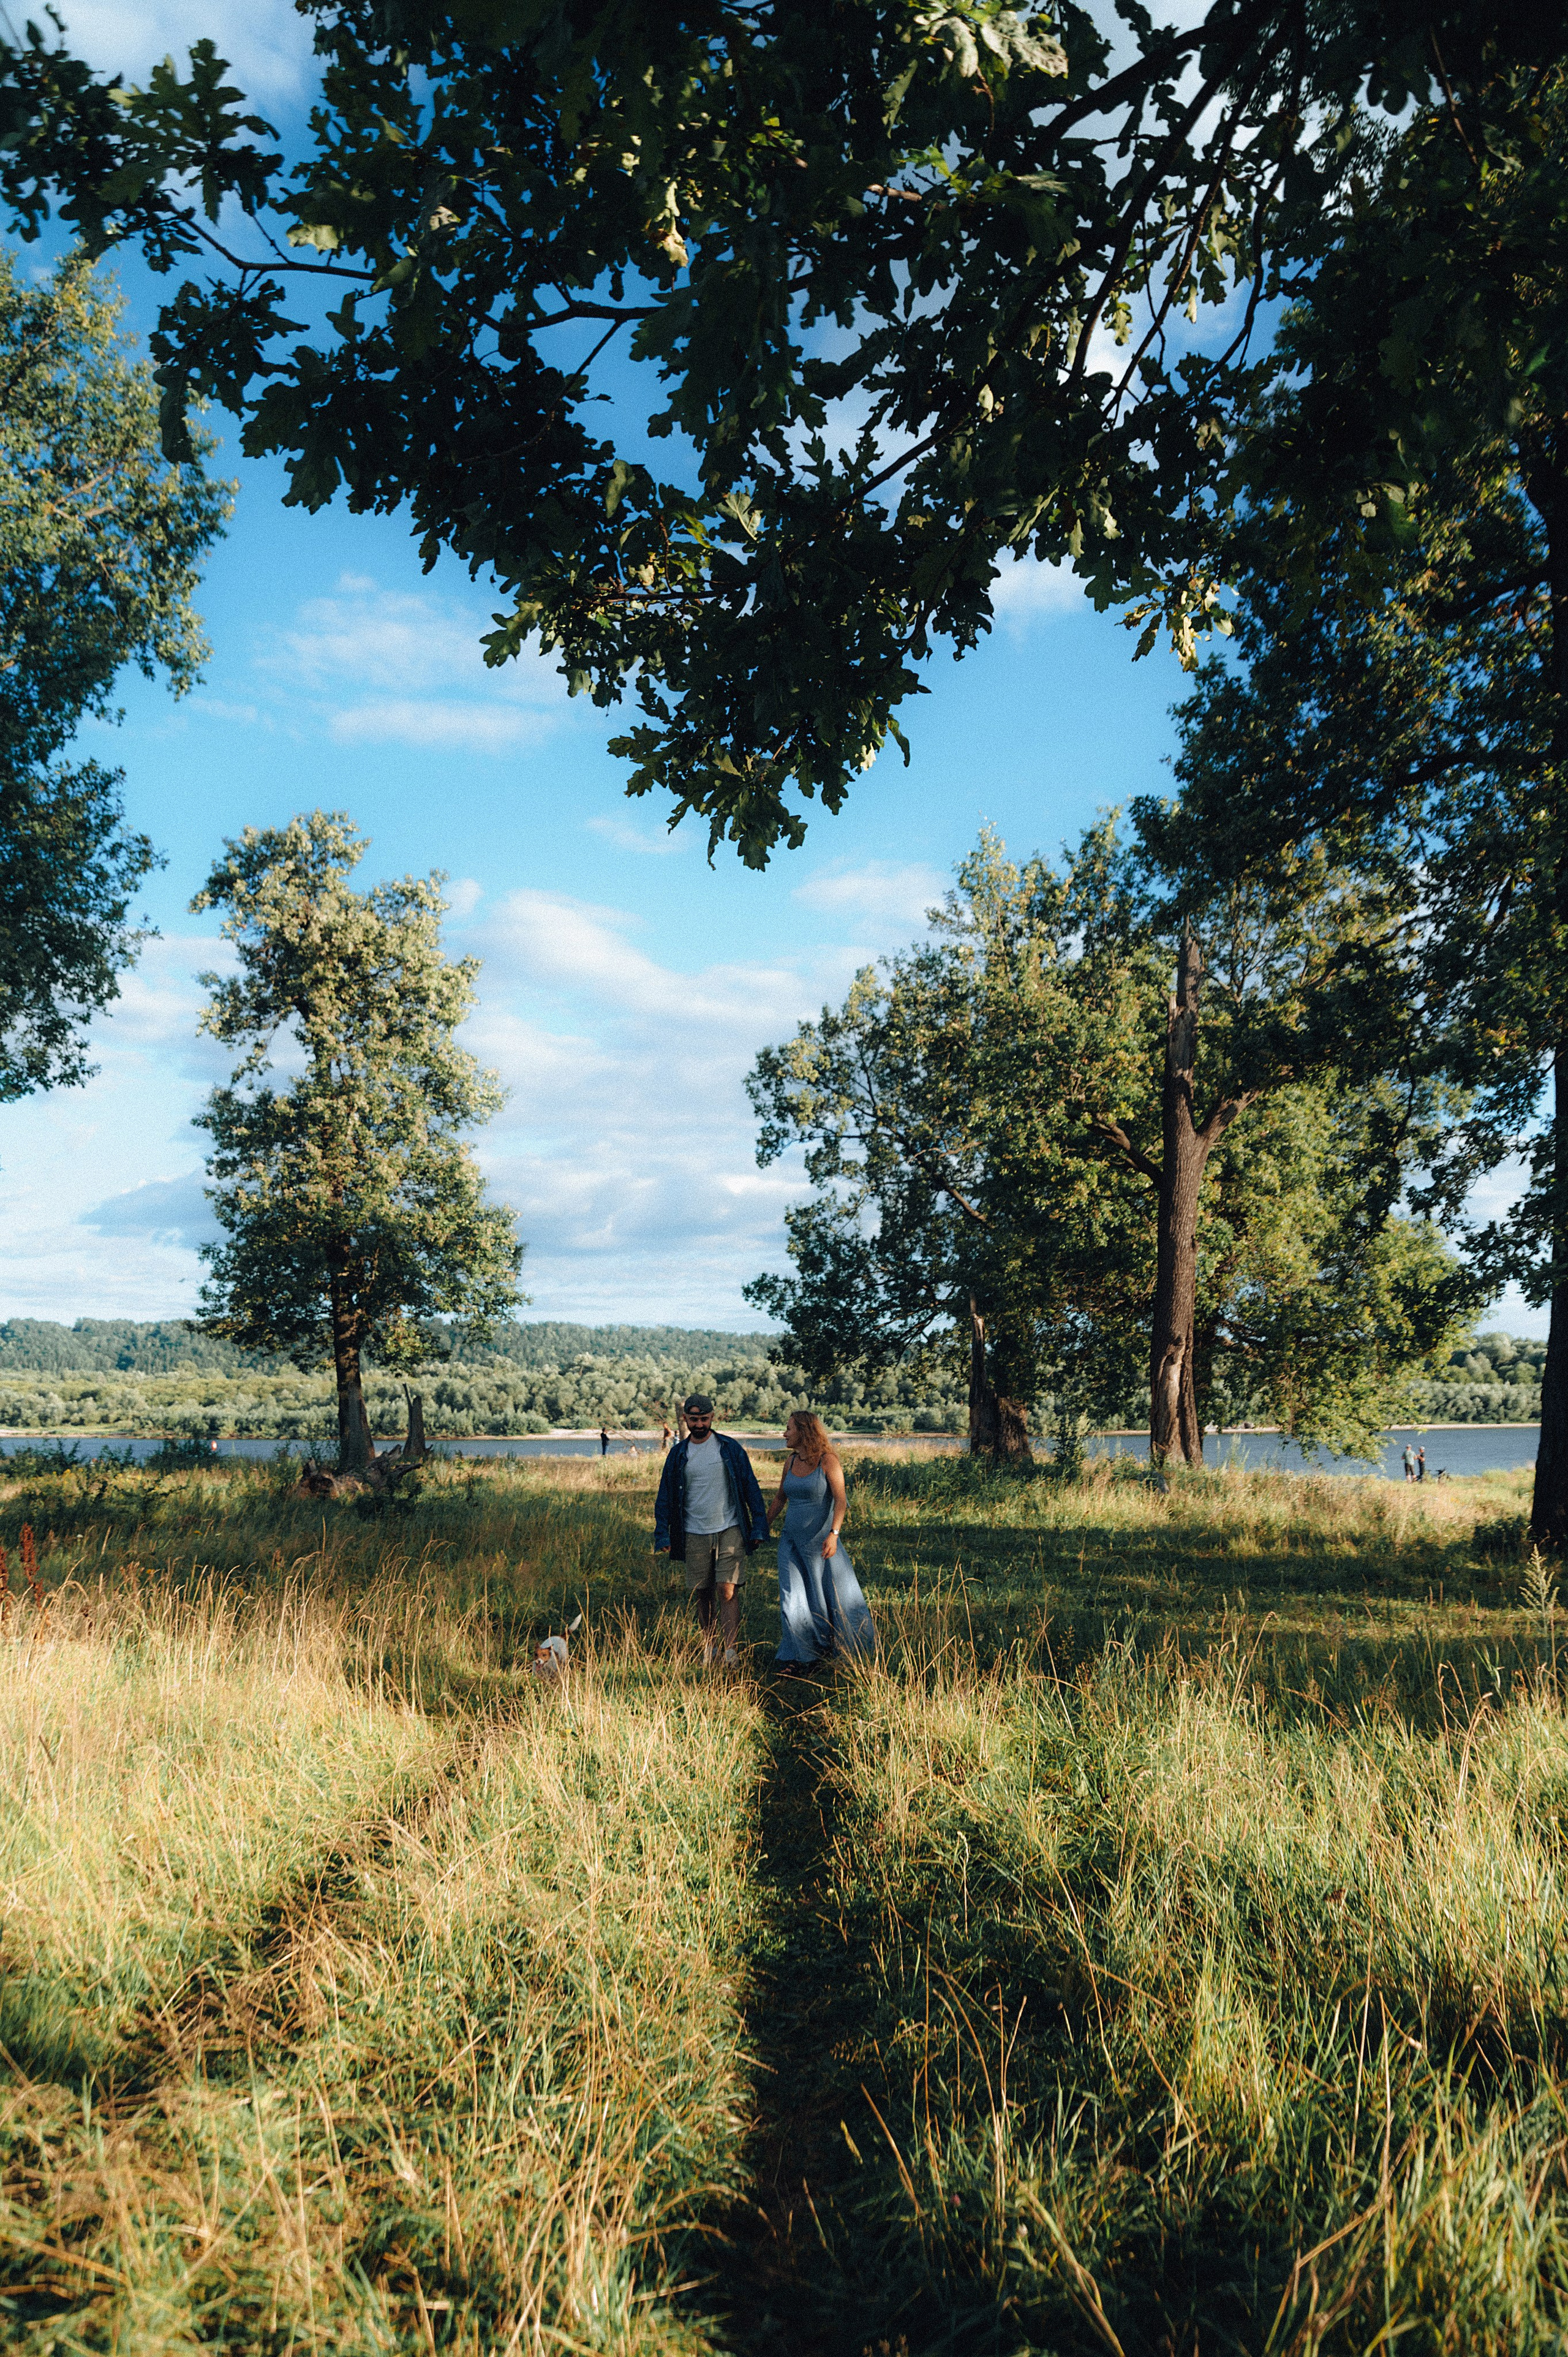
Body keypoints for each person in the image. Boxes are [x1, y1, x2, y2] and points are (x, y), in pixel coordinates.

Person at [654, 1392, 770, 1669]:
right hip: (694, 1531)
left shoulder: (730, 1449)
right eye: (694, 1419)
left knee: (726, 1589)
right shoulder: (678, 1454)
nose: (699, 1424)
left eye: (704, 1419)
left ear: (712, 1418)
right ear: (686, 1419)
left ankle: (731, 1652)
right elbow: (665, 1495)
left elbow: (751, 1488)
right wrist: (663, 1533)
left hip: (730, 1527)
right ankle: (710, 1648)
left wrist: (759, 1526)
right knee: (703, 1592)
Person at [767, 1411, 876, 1675]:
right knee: (792, 1599)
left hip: (822, 1545)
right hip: (791, 1543)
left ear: (804, 1431)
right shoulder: (791, 1462)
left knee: (829, 1598)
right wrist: (761, 1527)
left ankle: (844, 1651)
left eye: (789, 1428)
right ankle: (802, 1656)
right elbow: (780, 1498)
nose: (784, 1433)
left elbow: (841, 1500)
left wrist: (834, 1534)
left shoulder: (828, 1461)